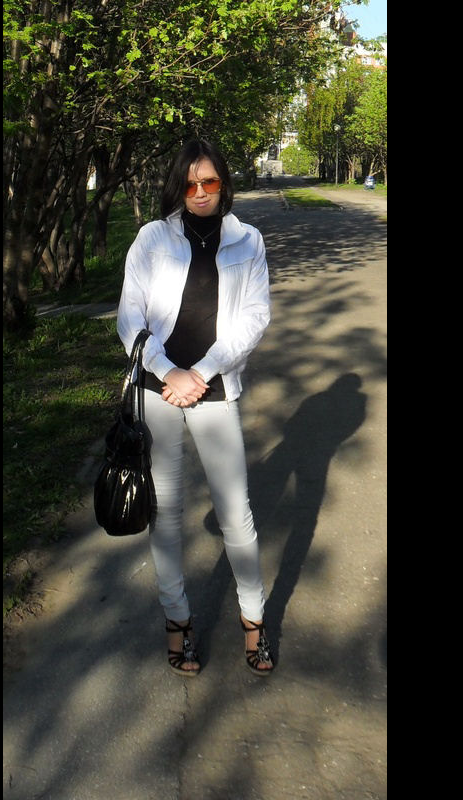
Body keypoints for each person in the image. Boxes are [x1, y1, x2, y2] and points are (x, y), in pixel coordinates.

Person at [116, 139, 275, 677]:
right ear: (177, 186)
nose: (200, 192)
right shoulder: (152, 238)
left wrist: (201, 373)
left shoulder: (248, 240)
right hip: (157, 388)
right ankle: (177, 619)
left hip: (214, 386)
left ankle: (253, 619)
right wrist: (169, 372)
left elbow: (254, 317)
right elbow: (129, 316)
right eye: (190, 184)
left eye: (209, 181)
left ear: (223, 183)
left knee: (235, 512)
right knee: (164, 512)